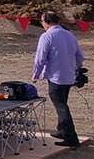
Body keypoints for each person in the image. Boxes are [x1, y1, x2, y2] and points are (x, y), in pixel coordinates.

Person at [32, 10, 86, 148]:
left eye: (42, 21)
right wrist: (76, 69)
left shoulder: (47, 36)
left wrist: (36, 74)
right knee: (63, 103)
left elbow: (40, 58)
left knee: (61, 107)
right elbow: (79, 56)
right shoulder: (70, 35)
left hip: (56, 76)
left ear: (47, 22)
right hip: (68, 76)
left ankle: (71, 137)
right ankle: (62, 130)